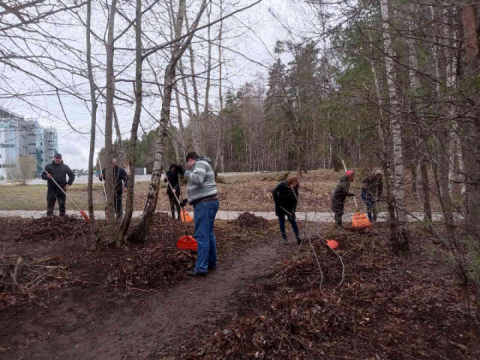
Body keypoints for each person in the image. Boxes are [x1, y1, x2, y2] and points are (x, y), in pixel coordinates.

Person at [178, 152, 219, 277]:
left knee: (201, 236)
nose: (189, 167)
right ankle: (211, 262)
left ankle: (201, 268)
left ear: (190, 160)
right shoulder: (202, 164)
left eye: (188, 164)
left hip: (205, 205)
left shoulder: (200, 163)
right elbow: (201, 187)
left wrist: (183, 171)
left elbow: (198, 179)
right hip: (208, 202)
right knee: (209, 233)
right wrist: (188, 200)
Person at [272, 176, 303, 245]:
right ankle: (285, 239)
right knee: (282, 222)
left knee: (293, 221)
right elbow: (274, 192)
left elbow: (295, 200)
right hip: (280, 206)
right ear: (290, 182)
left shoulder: (295, 188)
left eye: (295, 184)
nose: (294, 185)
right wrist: (277, 201)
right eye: (293, 184)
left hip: (289, 207)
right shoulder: (282, 184)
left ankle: (298, 236)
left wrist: (293, 210)